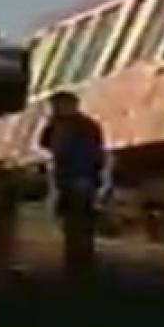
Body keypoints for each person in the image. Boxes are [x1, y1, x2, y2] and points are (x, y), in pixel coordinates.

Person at [38, 91, 106, 277]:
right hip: (66, 178)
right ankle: (75, 259)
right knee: (71, 220)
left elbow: (92, 154)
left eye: (59, 105)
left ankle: (82, 261)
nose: (57, 109)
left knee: (80, 220)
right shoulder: (58, 125)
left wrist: (88, 175)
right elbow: (43, 142)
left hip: (80, 177)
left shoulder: (85, 127)